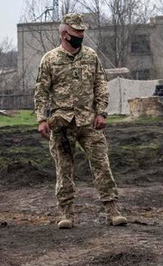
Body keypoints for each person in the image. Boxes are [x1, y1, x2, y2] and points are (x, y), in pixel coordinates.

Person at [34, 13, 128, 229]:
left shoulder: (91, 57)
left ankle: (112, 211)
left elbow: (100, 86)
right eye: (77, 31)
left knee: (102, 165)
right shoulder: (50, 59)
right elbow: (41, 91)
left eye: (83, 31)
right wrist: (41, 119)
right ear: (64, 34)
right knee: (64, 169)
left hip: (89, 123)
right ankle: (66, 213)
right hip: (61, 124)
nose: (81, 34)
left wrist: (102, 113)